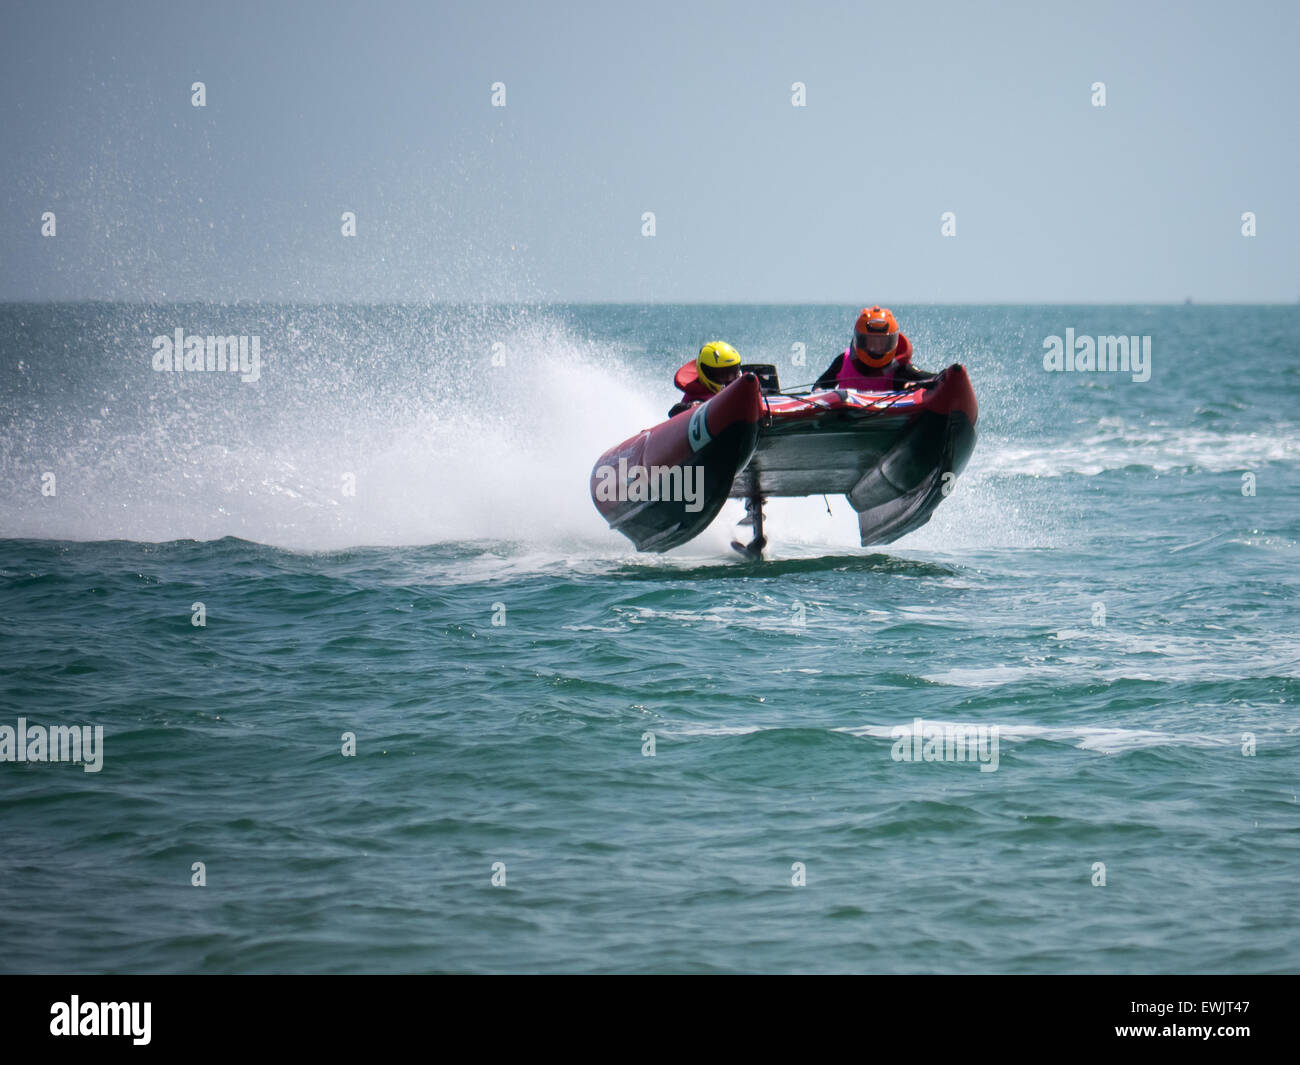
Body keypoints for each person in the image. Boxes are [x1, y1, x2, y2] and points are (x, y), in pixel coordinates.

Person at [814, 306, 938, 391]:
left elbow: (932, 379)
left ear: (893, 342)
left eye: (882, 342)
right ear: (860, 341)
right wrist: (820, 392)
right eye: (871, 342)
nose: (877, 347)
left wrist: (915, 386)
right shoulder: (843, 361)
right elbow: (819, 386)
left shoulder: (900, 368)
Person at [668, 341, 743, 417]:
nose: (729, 379)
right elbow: (673, 412)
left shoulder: (745, 380)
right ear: (706, 372)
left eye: (732, 372)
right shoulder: (696, 396)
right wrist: (690, 407)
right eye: (722, 374)